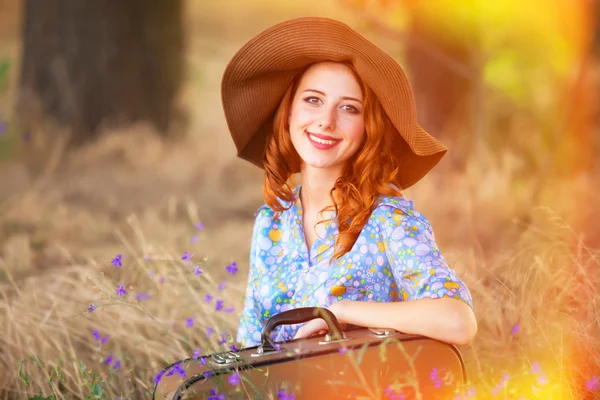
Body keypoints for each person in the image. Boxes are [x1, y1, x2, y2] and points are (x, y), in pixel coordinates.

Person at [221, 17, 477, 349]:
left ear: (369, 128)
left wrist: (341, 311)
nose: (326, 122)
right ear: (287, 112)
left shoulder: (388, 219)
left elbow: (458, 321)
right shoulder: (272, 221)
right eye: (313, 100)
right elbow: (251, 345)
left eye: (349, 108)